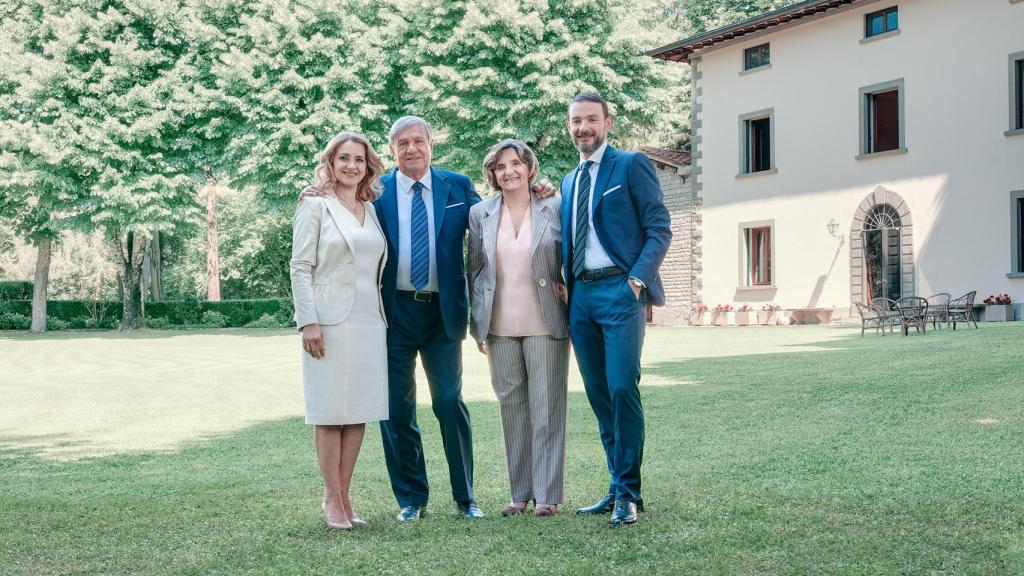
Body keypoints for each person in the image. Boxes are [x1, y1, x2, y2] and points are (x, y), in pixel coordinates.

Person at [560, 92, 672, 526]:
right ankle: (616, 485)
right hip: (581, 299)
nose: (583, 127)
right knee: (599, 395)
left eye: (591, 119)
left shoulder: (630, 165)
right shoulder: (569, 181)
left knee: (623, 387)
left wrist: (636, 281)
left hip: (620, 292)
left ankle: (630, 493)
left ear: (607, 123)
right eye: (575, 121)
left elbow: (659, 228)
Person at [290, 132, 388, 530]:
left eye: (359, 160)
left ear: (368, 167)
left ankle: (346, 497)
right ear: (331, 163)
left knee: (358, 412)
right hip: (328, 322)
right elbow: (300, 267)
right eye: (344, 158)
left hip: (369, 320)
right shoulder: (314, 205)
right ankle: (331, 498)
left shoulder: (370, 208)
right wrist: (308, 321)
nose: (352, 166)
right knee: (330, 413)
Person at [468, 140, 569, 518]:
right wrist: (478, 324)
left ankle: (547, 494)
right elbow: (475, 271)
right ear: (492, 174)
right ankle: (519, 493)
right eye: (500, 166)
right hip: (499, 325)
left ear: (529, 168)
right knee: (512, 408)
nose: (508, 171)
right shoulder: (479, 213)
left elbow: (570, 255)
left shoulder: (554, 206)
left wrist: (569, 286)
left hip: (545, 321)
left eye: (515, 163)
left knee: (547, 407)